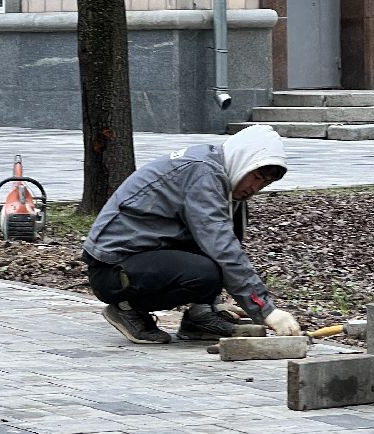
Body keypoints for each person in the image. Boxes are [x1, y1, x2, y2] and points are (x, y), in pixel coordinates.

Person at [82, 124, 303, 345]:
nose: (256, 187)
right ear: (243, 158)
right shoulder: (203, 174)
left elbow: (221, 243)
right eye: (256, 176)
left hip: (142, 259)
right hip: (112, 270)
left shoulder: (220, 177)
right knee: (205, 273)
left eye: (265, 183)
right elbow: (223, 249)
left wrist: (212, 301)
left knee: (217, 256)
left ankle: (200, 317)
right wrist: (265, 310)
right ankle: (127, 309)